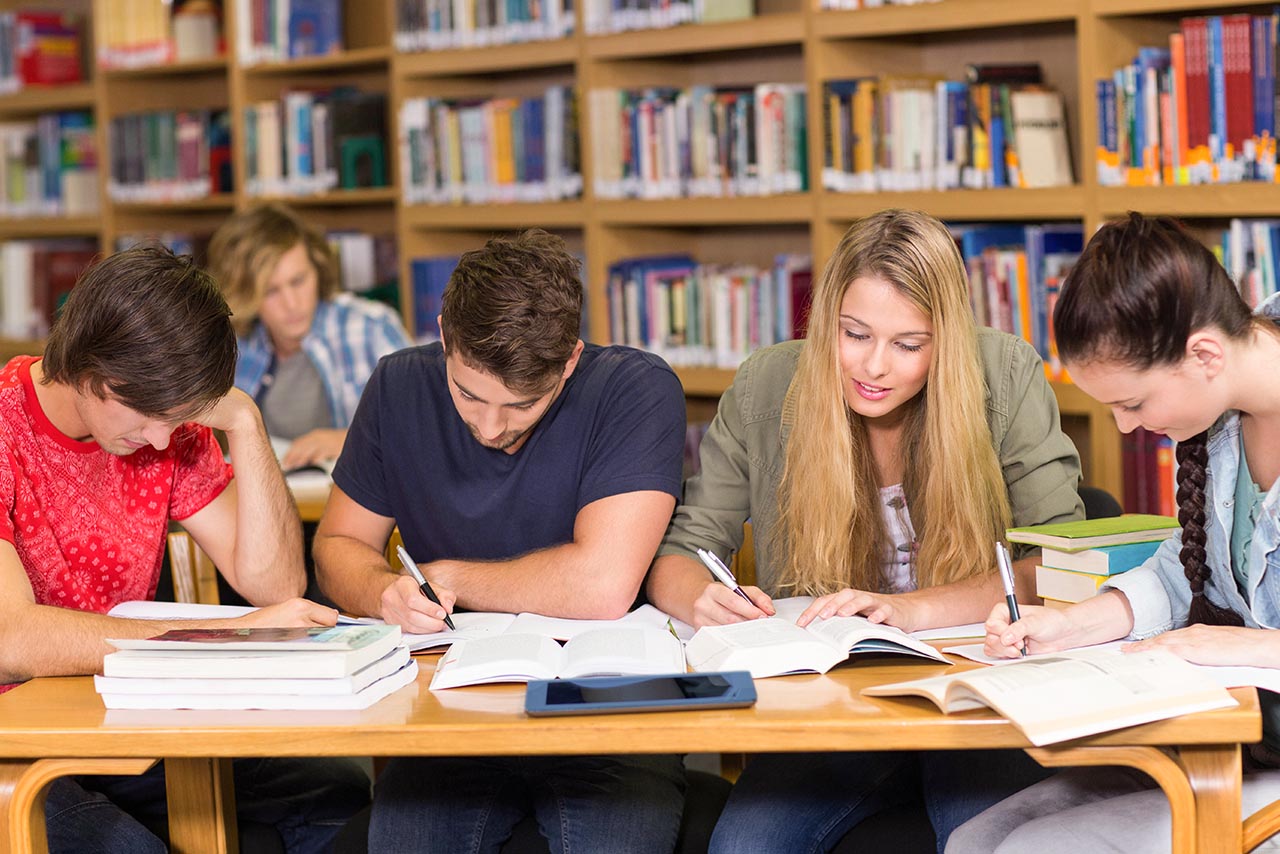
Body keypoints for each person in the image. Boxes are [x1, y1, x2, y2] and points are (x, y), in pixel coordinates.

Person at [647, 208, 1085, 852]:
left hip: (976, 696)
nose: (875, 366)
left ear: (948, 340)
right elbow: (680, 552)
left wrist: (907, 611)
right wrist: (698, 597)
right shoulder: (767, 386)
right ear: (828, 321)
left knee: (990, 839)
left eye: (909, 345)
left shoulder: (1006, 375)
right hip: (832, 707)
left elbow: (1058, 566)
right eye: (855, 334)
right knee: (744, 846)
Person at [313, 229, 689, 853]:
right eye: (467, 393)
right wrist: (382, 591)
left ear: (568, 361)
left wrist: (451, 579)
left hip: (611, 710)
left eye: (522, 404)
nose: (489, 426)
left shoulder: (635, 389)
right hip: (451, 711)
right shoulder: (397, 387)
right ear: (442, 334)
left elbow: (601, 586)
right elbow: (337, 543)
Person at [0, 245, 371, 854]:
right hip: (21, 737)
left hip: (119, 720)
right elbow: (12, 642)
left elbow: (276, 587)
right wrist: (224, 637)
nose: (162, 439)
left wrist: (245, 421)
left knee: (335, 795)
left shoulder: (162, 417)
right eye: (150, 418)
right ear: (94, 377)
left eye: (179, 418)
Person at [946, 213, 1280, 853]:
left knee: (1031, 849)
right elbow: (1180, 569)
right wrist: (1071, 624)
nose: (1126, 429)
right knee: (977, 838)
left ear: (1205, 354)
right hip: (1240, 733)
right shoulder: (1217, 414)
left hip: (1259, 740)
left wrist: (1228, 644)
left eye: (1133, 403)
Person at [208, 202, 411, 471]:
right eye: (271, 291)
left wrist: (346, 441)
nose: (291, 303)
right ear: (246, 296)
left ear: (317, 269)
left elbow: (423, 430)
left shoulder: (370, 327)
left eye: (299, 280)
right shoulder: (234, 345)